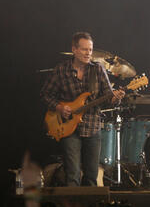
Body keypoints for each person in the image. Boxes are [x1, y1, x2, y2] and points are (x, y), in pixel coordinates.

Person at [40, 32, 124, 186]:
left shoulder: (97, 70)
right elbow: (45, 94)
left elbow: (108, 98)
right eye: (85, 49)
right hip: (68, 128)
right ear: (74, 49)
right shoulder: (61, 70)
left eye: (90, 50)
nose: (88, 53)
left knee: (92, 176)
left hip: (92, 128)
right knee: (72, 175)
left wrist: (115, 98)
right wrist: (59, 107)